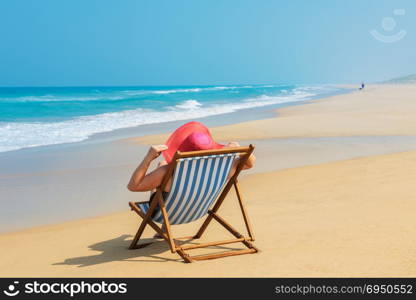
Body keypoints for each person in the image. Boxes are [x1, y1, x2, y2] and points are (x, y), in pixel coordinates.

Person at [127, 121, 256, 194]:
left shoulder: (169, 172)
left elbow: (133, 186)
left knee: (162, 165)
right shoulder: (227, 166)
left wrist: (148, 158)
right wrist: (238, 151)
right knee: (163, 164)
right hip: (201, 209)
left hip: (168, 213)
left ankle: (165, 227)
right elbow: (250, 163)